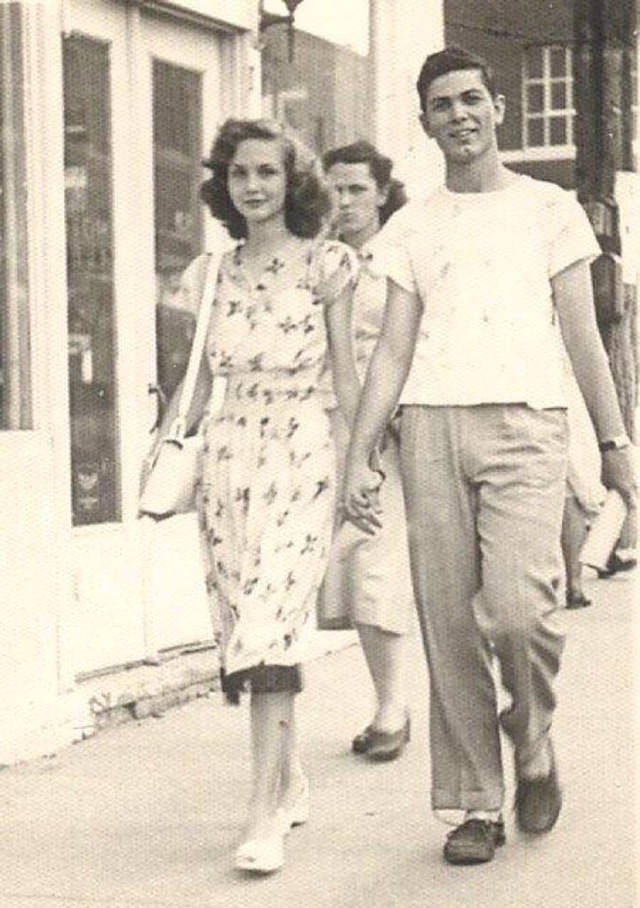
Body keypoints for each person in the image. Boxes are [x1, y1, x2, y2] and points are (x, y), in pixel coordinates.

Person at [343, 46, 636, 866]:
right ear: (426, 121)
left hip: (527, 427)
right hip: (431, 427)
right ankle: (475, 802)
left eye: (472, 99)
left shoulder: (550, 210)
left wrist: (616, 446)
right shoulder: (413, 225)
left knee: (519, 610)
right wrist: (360, 455)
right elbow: (392, 352)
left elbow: (585, 337)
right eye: (442, 105)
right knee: (449, 626)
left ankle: (532, 734)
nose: (460, 115)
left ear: (497, 108)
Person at [143, 119, 359, 875]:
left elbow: (346, 375)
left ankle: (264, 813)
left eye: (267, 172)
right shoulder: (209, 275)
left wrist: (359, 463)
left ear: (292, 180)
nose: (255, 186)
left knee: (268, 629)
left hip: (300, 453)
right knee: (242, 627)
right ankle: (288, 776)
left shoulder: (328, 264)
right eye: (240, 174)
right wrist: (165, 448)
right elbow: (198, 380)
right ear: (224, 186)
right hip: (229, 459)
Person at [319, 141, 414, 760]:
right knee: (339, 570)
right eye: (334, 189)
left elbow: (417, 344)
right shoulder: (316, 262)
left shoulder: (401, 261)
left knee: (377, 559)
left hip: (386, 433)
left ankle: (391, 708)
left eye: (357, 188)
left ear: (381, 192)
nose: (345, 201)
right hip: (319, 425)